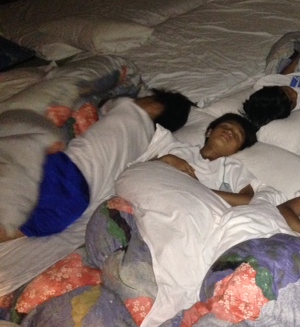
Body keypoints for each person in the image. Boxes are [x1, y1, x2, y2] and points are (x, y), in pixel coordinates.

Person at [0, 89, 194, 242]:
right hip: (77, 203)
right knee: (24, 226)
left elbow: (103, 105)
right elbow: (141, 169)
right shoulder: (149, 143)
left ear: (154, 105)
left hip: (67, 169)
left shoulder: (128, 106)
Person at [154, 112, 259, 206]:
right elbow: (145, 167)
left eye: (237, 135)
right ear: (209, 132)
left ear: (236, 151)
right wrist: (165, 159)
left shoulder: (233, 168)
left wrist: (199, 189)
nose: (229, 132)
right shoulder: (178, 149)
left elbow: (247, 200)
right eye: (225, 126)